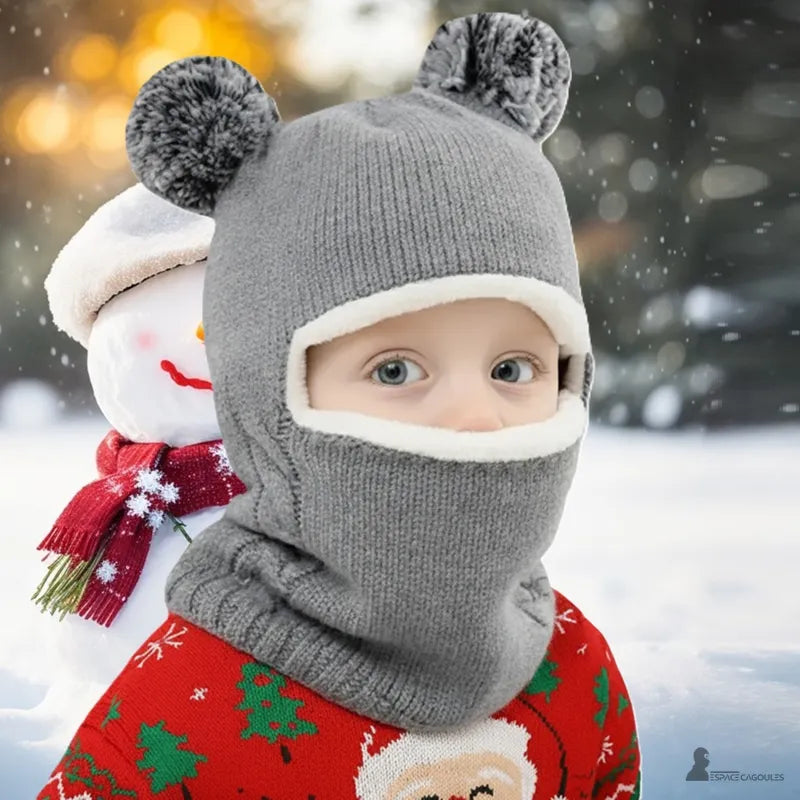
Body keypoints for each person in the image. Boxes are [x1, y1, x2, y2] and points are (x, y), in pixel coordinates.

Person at [36, 11, 642, 800]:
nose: (476, 416)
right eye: (394, 369)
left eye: (513, 365)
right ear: (268, 394)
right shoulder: (182, 719)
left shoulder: (575, 672)